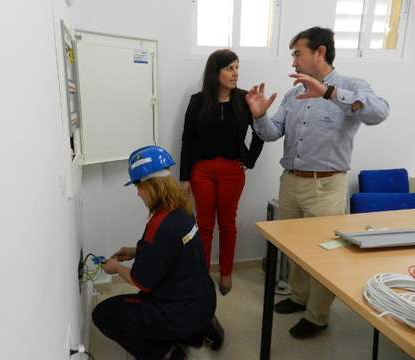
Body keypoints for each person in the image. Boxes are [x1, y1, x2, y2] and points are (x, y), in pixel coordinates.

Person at [246, 26, 390, 338]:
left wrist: (329, 93)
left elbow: (379, 112)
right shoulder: (293, 93)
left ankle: (318, 315)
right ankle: (298, 298)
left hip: (326, 187)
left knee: (325, 253)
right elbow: (273, 133)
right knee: (295, 249)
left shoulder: (352, 86)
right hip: (291, 183)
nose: (294, 62)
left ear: (320, 52)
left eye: (297, 53)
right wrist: (259, 116)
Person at [92, 145, 223, 360]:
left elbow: (141, 282)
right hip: (204, 300)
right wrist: (136, 251)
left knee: (104, 314)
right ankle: (203, 329)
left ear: (152, 186)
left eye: (138, 185)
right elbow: (173, 250)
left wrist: (116, 268)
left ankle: (168, 354)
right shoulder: (183, 209)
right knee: (162, 300)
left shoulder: (158, 226)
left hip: (179, 311)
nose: (137, 192)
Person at [180, 49, 264, 296]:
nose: (235, 73)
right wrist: (185, 177)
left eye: (237, 67)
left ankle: (226, 273)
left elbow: (260, 131)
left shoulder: (243, 99)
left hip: (232, 171)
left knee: (227, 225)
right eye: (230, 68)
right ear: (215, 72)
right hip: (202, 172)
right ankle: (202, 273)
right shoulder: (198, 101)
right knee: (204, 226)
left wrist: (249, 160)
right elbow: (187, 139)